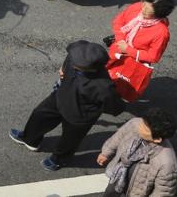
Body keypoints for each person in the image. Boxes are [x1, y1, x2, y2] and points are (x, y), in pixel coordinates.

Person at [10, 40, 125, 172]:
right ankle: (30, 139)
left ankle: (59, 159)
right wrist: (63, 68)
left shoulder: (103, 86)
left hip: (80, 115)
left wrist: (94, 110)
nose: (74, 65)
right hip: (60, 96)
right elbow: (69, 56)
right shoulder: (75, 55)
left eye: (78, 66)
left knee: (70, 140)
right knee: (39, 115)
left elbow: (114, 106)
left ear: (93, 68)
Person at [106, 0, 174, 102]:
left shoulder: (161, 33)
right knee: (105, 72)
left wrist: (128, 50)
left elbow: (153, 57)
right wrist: (121, 40)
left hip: (132, 61)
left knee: (120, 83)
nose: (142, 10)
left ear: (159, 14)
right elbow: (118, 21)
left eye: (147, 10)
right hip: (116, 50)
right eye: (143, 5)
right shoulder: (137, 7)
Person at [97, 109, 177, 197]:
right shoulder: (135, 123)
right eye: (143, 122)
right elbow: (118, 137)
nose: (140, 126)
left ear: (157, 139)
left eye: (145, 128)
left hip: (137, 191)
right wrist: (105, 153)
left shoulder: (167, 163)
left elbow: (163, 192)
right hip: (117, 175)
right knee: (110, 192)